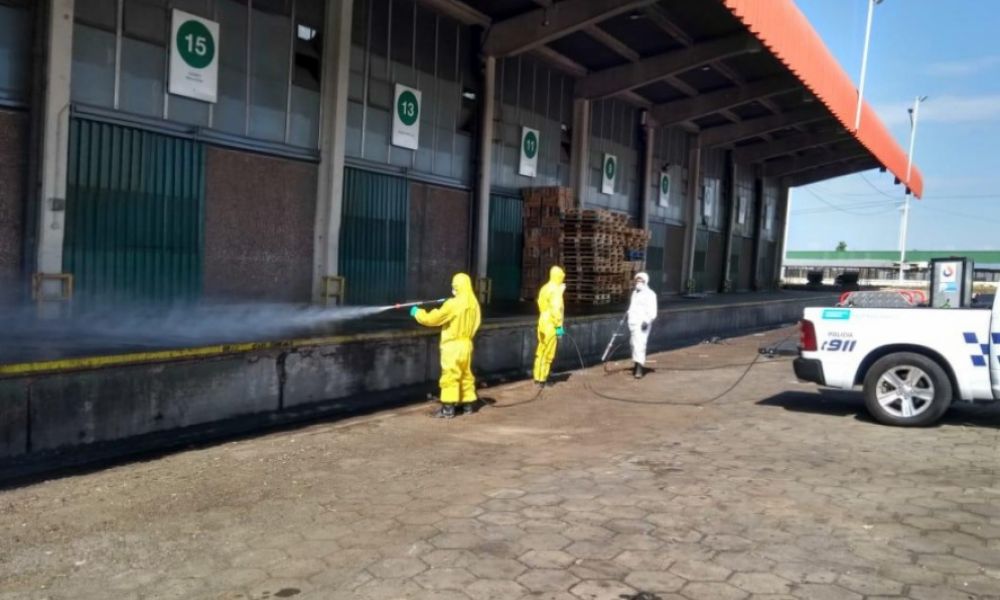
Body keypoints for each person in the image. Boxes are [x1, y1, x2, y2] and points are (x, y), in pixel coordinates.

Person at [410, 273, 482, 418]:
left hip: (453, 346)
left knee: (450, 376)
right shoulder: (474, 303)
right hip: (467, 344)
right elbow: (476, 323)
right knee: (465, 375)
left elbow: (434, 319)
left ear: (457, 287)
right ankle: (467, 405)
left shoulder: (452, 304)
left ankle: (448, 408)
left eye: (454, 287)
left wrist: (418, 313)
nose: (452, 290)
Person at [533, 265, 566, 387]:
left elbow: (540, 303)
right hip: (551, 324)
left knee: (541, 350)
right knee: (549, 352)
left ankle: (537, 376)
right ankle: (543, 379)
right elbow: (556, 311)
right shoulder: (555, 291)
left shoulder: (545, 288)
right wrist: (560, 330)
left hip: (542, 321)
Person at [627, 272, 658, 379]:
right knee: (633, 344)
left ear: (645, 281)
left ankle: (639, 369)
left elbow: (653, 310)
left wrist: (647, 321)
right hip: (633, 323)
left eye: (640, 280)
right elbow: (632, 307)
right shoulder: (635, 293)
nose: (638, 282)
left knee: (639, 345)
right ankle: (636, 365)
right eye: (637, 280)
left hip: (642, 324)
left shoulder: (650, 294)